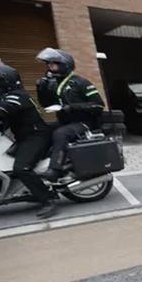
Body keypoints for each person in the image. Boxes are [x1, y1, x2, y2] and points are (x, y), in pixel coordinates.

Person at [0, 64, 57, 218]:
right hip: (23, 137)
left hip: (37, 136)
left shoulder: (18, 96)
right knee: (7, 164)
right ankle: (26, 190)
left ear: (6, 81)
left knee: (21, 168)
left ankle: (47, 199)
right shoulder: (5, 96)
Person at [35, 47, 105, 181]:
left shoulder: (81, 83)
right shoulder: (54, 84)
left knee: (61, 133)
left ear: (64, 65)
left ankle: (55, 170)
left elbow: (98, 105)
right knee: (42, 130)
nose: (50, 68)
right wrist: (41, 89)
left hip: (85, 123)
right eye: (48, 65)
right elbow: (46, 104)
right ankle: (39, 163)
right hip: (65, 122)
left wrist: (71, 107)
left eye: (53, 65)